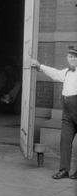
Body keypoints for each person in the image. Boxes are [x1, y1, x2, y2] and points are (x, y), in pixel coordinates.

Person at [31, 46, 77, 179]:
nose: (72, 59)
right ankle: (64, 170)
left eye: (75, 56)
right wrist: (40, 66)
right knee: (65, 141)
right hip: (68, 113)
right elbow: (55, 73)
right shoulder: (67, 72)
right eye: (70, 56)